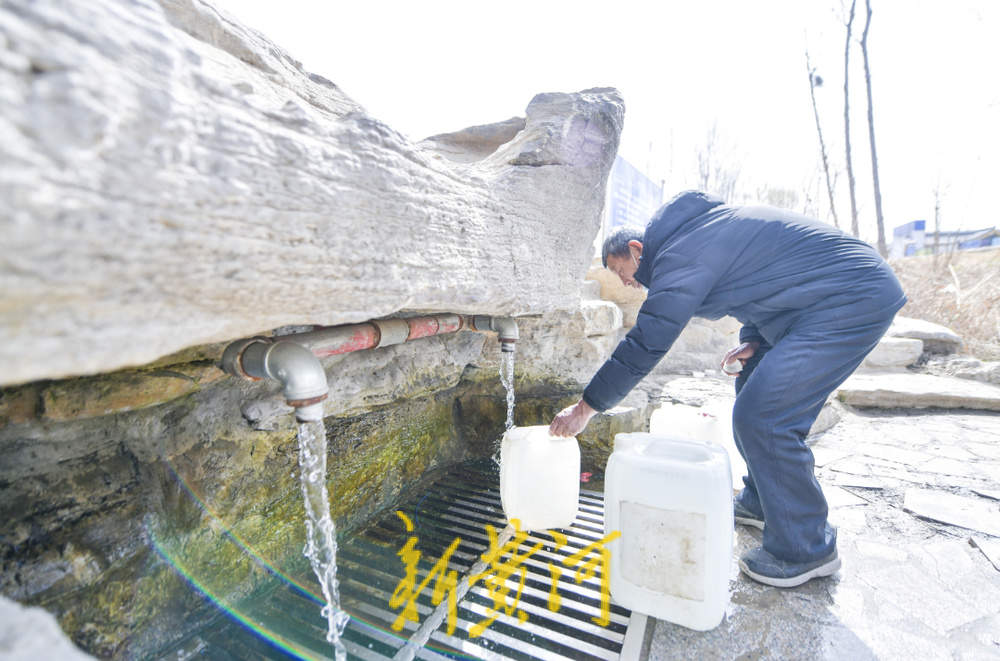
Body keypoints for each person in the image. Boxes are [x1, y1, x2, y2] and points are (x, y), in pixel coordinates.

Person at [549, 190, 906, 588]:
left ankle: (807, 548)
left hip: (853, 296)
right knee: (752, 381)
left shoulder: (680, 253)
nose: (625, 282)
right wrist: (757, 340)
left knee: (764, 417)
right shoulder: (698, 236)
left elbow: (648, 341)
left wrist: (586, 407)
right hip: (821, 300)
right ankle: (761, 501)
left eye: (621, 270)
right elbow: (756, 290)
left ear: (637, 250)